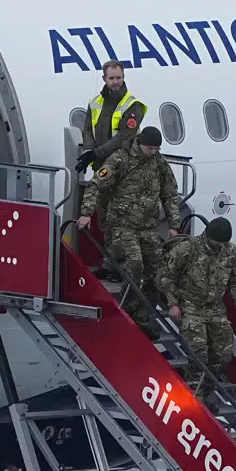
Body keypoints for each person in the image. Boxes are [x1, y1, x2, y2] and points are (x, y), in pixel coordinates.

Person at [79, 125, 180, 330]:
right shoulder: (120, 159)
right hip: (121, 225)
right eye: (151, 148)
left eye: (157, 149)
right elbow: (96, 185)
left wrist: (174, 224)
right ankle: (127, 312)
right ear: (141, 145)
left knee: (158, 271)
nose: (154, 153)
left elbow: (170, 194)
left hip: (147, 227)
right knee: (134, 265)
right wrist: (86, 213)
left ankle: (143, 316)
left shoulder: (159, 163)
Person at [158, 217, 236, 402]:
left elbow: (234, 282)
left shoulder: (230, 251)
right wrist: (173, 304)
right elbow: (166, 276)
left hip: (215, 309)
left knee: (223, 356)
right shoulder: (188, 248)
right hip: (190, 306)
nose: (220, 247)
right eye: (217, 243)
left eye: (224, 244)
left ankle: (202, 394)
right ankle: (193, 396)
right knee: (199, 354)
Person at [77, 60, 146, 174]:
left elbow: (124, 136)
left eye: (119, 78)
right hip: (101, 166)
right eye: (111, 78)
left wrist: (96, 153)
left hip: (124, 167)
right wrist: (88, 151)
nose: (115, 82)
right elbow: (88, 130)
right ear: (104, 79)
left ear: (123, 77)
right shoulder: (95, 102)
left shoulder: (133, 105)